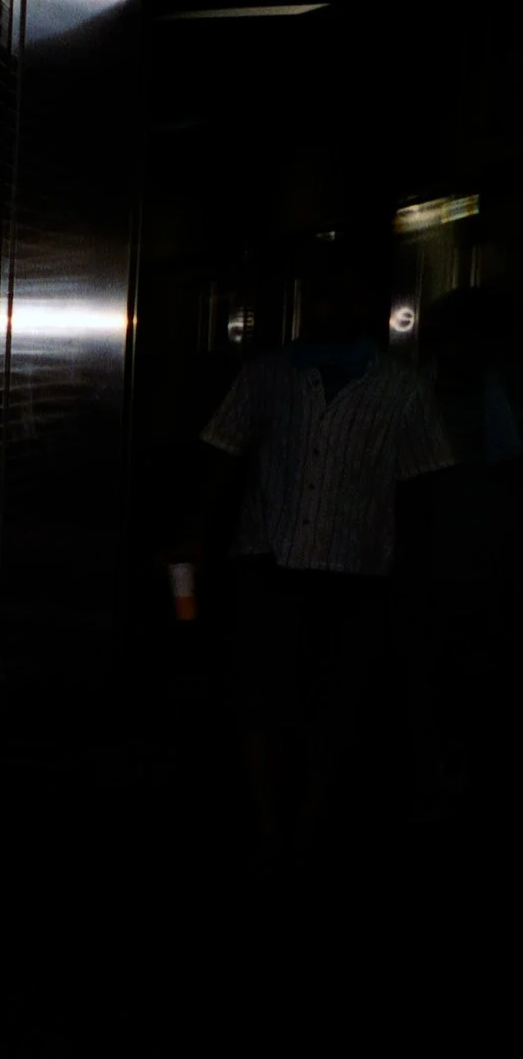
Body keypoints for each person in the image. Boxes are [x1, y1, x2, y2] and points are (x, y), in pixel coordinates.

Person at [191, 245, 458, 842]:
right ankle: (267, 821)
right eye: (320, 295)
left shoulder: (402, 390)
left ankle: (308, 819)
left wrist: (418, 572)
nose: (329, 305)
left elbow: (424, 486)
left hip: (358, 568)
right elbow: (221, 454)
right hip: (267, 559)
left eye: (344, 294)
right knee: (260, 694)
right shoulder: (267, 376)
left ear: (367, 303)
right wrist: (196, 540)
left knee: (333, 701)